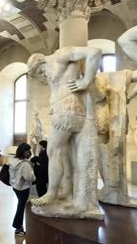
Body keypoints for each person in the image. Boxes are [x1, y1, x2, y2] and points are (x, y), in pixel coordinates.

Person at [28, 46, 101, 206]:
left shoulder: (59, 56)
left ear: (39, 62)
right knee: (65, 154)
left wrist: (86, 80)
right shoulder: (59, 63)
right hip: (67, 109)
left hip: (66, 109)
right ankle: (67, 190)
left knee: (54, 151)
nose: (43, 76)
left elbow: (94, 52)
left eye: (40, 72)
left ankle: (52, 193)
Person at [9, 143, 36, 237]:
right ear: (23, 152)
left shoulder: (14, 161)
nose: (30, 153)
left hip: (15, 186)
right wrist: (33, 173)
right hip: (23, 188)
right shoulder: (25, 164)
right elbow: (29, 177)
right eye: (28, 151)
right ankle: (18, 227)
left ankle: (18, 226)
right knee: (21, 207)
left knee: (20, 205)